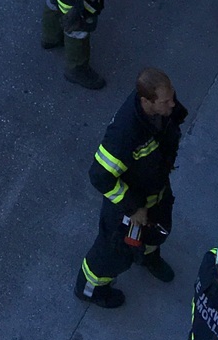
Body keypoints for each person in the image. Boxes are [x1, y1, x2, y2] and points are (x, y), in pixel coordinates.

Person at [74, 66, 188, 308]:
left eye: (172, 96)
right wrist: (133, 207)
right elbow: (99, 175)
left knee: (158, 231)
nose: (173, 104)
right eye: (166, 101)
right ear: (146, 101)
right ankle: (90, 289)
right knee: (113, 253)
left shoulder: (160, 110)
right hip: (128, 208)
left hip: (156, 192)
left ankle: (148, 257)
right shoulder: (125, 133)